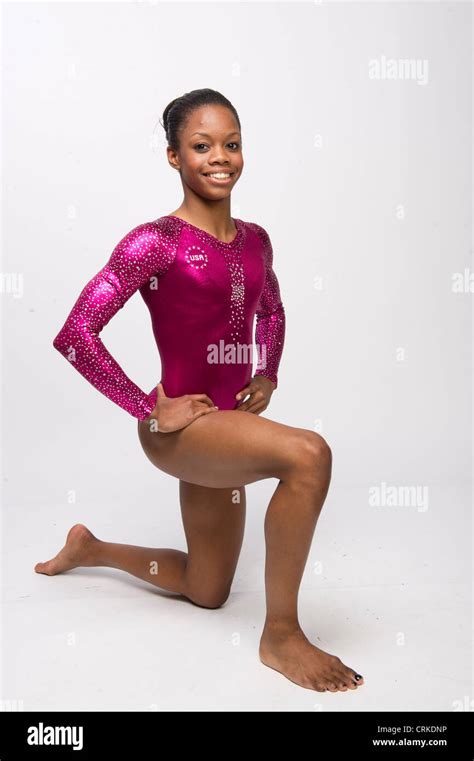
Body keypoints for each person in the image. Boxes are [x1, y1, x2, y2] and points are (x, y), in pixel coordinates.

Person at [36, 88, 364, 693]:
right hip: (181, 430)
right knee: (309, 455)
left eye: (231, 144)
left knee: (207, 591)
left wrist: (268, 373)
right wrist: (147, 408)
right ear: (173, 156)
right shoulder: (153, 241)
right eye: (201, 145)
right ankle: (282, 634)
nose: (220, 157)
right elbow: (76, 333)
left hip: (227, 430)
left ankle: (92, 549)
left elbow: (273, 310)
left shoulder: (257, 239)